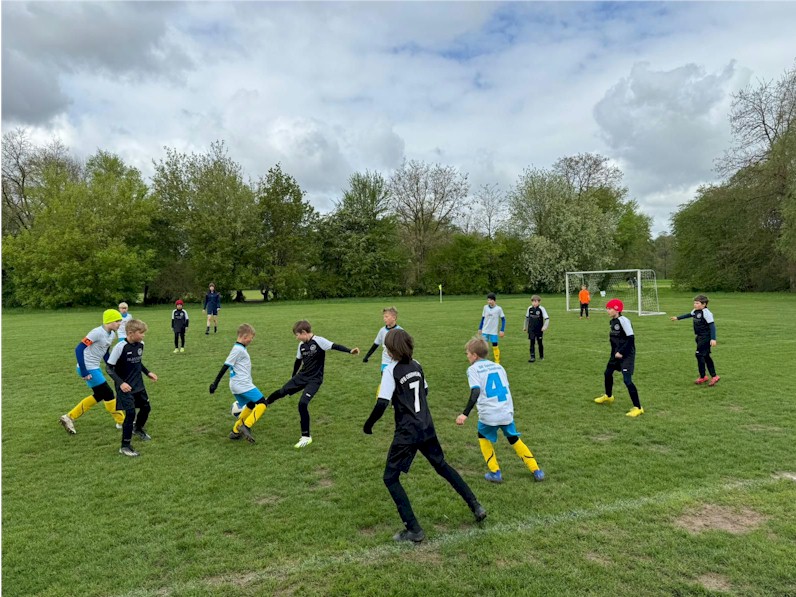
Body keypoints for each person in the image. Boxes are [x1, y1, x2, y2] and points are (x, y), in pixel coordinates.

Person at [363, 329, 487, 543]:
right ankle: (475, 505)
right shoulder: (417, 365)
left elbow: (382, 402)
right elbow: (424, 391)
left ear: (392, 350)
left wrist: (368, 425)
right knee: (443, 466)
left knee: (390, 478)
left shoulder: (391, 370)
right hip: (426, 426)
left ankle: (414, 530)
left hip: (407, 432)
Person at [456, 337, 545, 483]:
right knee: (514, 439)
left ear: (474, 355)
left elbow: (475, 391)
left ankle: (495, 472)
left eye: (467, 353)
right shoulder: (498, 366)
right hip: (505, 411)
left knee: (482, 436)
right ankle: (536, 470)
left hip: (489, 414)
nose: (467, 356)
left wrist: (465, 414)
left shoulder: (473, 369)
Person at [264, 320, 359, 448]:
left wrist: (350, 351)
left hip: (315, 380)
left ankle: (306, 437)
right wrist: (293, 377)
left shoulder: (319, 341)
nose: (296, 338)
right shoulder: (301, 345)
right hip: (302, 376)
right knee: (282, 391)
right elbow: (298, 361)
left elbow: (335, 346)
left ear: (303, 332)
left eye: (297, 335)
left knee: (302, 403)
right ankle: (266, 402)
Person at [59, 309, 126, 434]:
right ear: (109, 321)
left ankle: (69, 417)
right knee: (107, 393)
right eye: (117, 321)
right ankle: (122, 421)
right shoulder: (97, 333)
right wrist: (84, 370)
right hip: (88, 367)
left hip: (95, 367)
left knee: (102, 395)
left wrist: (112, 367)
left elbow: (105, 353)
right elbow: (79, 349)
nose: (119, 324)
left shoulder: (112, 335)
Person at [106, 319, 158, 457]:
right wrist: (121, 383)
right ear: (130, 333)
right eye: (141, 333)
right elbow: (109, 368)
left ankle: (138, 428)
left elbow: (138, 362)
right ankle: (125, 446)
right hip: (125, 387)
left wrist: (148, 373)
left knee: (146, 408)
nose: (143, 336)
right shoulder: (120, 347)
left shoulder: (141, 344)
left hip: (138, 385)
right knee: (130, 414)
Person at [209, 324, 268, 443]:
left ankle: (235, 431)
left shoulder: (239, 348)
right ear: (245, 336)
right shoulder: (238, 349)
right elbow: (226, 365)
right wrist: (215, 383)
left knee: (251, 404)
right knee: (262, 403)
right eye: (251, 337)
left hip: (238, 385)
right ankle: (246, 426)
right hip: (242, 384)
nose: (252, 340)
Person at [593, 299, 644, 417]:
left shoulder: (623, 320)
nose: (608, 311)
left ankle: (638, 407)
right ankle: (609, 396)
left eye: (609, 309)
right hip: (615, 354)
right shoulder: (613, 321)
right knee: (607, 373)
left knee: (627, 380)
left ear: (617, 309)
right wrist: (615, 352)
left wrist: (621, 352)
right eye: (607, 309)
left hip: (626, 355)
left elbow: (631, 338)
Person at [670, 294, 720, 386]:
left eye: (697, 303)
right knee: (705, 356)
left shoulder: (706, 313)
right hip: (699, 337)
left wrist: (713, 338)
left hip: (706, 337)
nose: (695, 305)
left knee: (699, 354)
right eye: (694, 303)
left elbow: (712, 326)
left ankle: (704, 376)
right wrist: (677, 318)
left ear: (704, 304)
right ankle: (712, 376)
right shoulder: (695, 311)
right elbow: (689, 314)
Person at [362, 306, 402, 393]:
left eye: (386, 316)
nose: (384, 319)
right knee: (386, 382)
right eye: (384, 317)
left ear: (394, 317)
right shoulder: (382, 331)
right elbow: (375, 344)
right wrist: (367, 356)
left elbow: (404, 348)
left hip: (397, 362)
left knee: (398, 382)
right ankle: (387, 398)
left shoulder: (400, 331)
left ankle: (396, 401)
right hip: (385, 362)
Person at [478, 292, 505, 364]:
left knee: (495, 346)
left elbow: (503, 319)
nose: (489, 301)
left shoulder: (499, 309)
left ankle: (497, 361)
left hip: (493, 331)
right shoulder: (485, 307)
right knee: (484, 346)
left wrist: (502, 330)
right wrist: (480, 328)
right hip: (485, 330)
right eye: (488, 300)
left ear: (494, 300)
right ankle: (483, 360)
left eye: (490, 300)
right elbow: (483, 318)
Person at [523, 295, 549, 363]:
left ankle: (541, 356)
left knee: (539, 342)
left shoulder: (541, 309)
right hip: (531, 329)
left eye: (535, 301)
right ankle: (532, 357)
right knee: (532, 342)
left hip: (539, 329)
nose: (534, 303)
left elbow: (547, 319)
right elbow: (527, 318)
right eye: (533, 301)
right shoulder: (529, 308)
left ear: (539, 302)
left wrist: (544, 327)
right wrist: (525, 326)